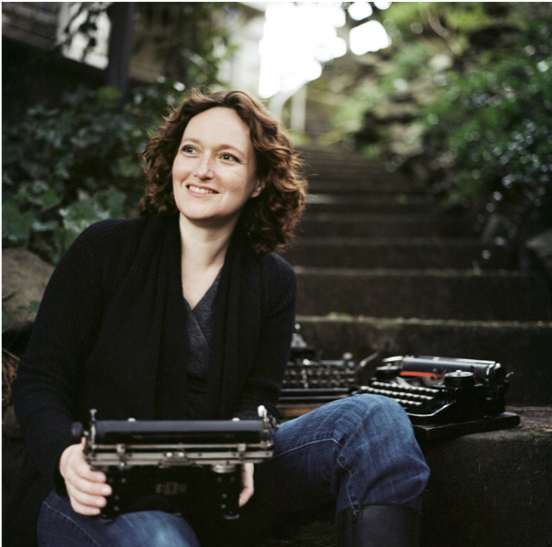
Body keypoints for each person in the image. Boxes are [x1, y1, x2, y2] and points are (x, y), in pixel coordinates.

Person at [6, 89, 429, 547]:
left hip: (214, 486)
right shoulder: (103, 249)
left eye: (227, 157)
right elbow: (40, 378)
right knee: (162, 538)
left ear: (259, 181)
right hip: (95, 488)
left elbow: (257, 396)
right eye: (191, 150)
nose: (202, 169)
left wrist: (246, 443)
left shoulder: (274, 281)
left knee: (375, 419)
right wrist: (65, 457)